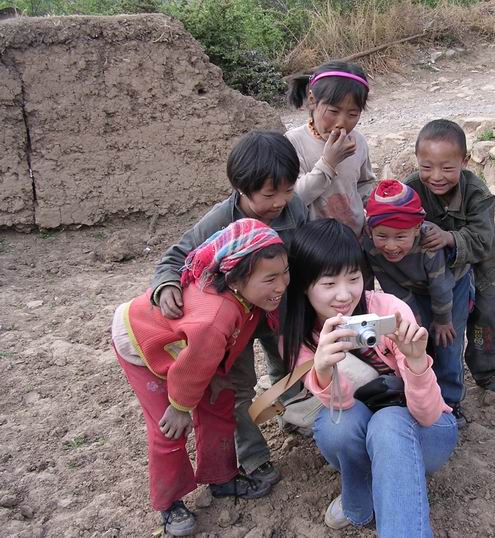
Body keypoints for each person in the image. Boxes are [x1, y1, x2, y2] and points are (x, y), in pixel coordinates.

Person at [111, 219, 290, 536]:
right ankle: (170, 503)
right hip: (144, 344)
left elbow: (217, 347)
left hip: (189, 348)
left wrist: (216, 375)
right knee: (168, 427)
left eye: (285, 273)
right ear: (235, 278)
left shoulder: (245, 297)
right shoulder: (215, 315)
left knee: (220, 401)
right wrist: (180, 407)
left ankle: (221, 478)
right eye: (270, 278)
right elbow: (193, 362)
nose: (281, 285)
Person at [150, 131, 307, 488]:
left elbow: (308, 250)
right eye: (270, 194)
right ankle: (253, 456)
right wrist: (167, 284)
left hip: (280, 311)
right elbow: (176, 256)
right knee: (238, 388)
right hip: (233, 324)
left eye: (288, 190)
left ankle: (292, 416)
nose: (281, 201)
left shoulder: (295, 209)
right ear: (241, 188)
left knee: (288, 366)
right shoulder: (220, 219)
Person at [281, 219, 457, 536]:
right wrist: (323, 370)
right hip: (363, 431)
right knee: (336, 424)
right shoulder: (300, 338)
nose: (344, 294)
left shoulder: (388, 311)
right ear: (304, 285)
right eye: (329, 283)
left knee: (388, 422)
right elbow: (340, 408)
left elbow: (429, 415)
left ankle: (390, 503)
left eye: (353, 278)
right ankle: (364, 496)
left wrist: (417, 362)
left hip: (426, 432)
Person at [406, 119, 495, 396]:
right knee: (434, 321)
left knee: (483, 319)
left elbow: (483, 238)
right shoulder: (411, 190)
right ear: (417, 160)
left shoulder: (477, 194)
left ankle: (487, 371)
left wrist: (449, 238)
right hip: (437, 275)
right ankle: (429, 372)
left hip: (481, 267)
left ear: (464, 161)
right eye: (426, 167)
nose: (436, 176)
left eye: (447, 168)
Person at [363, 179, 472, 427]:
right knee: (416, 337)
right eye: (382, 236)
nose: (390, 246)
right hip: (409, 285)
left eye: (400, 236)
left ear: (417, 229)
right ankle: (425, 394)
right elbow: (389, 283)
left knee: (447, 341)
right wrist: (414, 318)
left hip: (451, 285)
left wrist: (442, 320)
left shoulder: (429, 244)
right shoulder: (369, 245)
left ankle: (451, 400)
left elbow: (441, 286)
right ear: (369, 230)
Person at [285, 60, 376, 236]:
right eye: (333, 111)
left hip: (354, 238)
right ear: (312, 100)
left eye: (352, 114)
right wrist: (328, 163)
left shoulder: (357, 142)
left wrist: (377, 212)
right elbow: (294, 199)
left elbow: (364, 184)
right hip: (314, 244)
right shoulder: (294, 142)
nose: (341, 123)